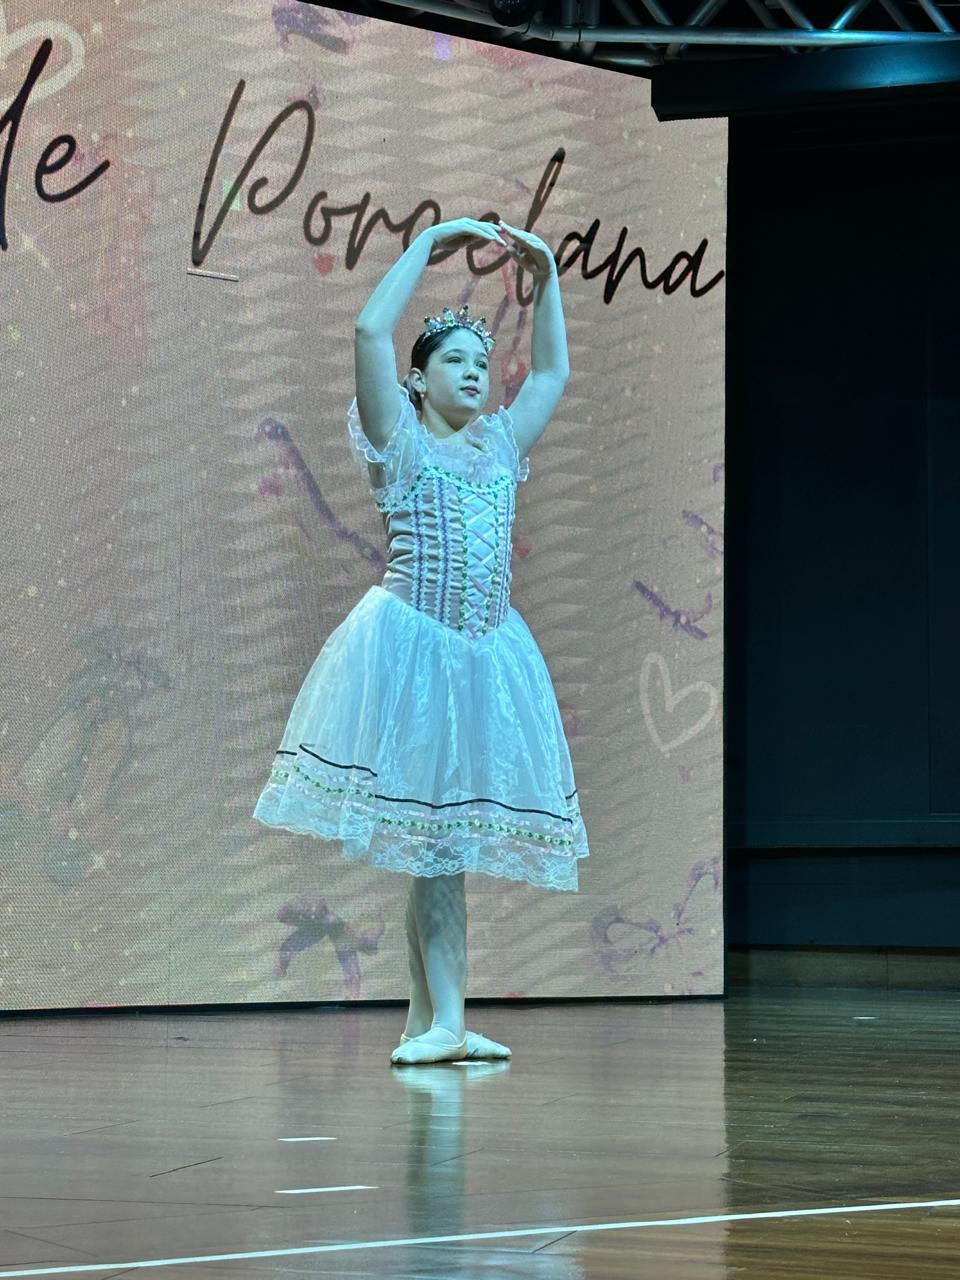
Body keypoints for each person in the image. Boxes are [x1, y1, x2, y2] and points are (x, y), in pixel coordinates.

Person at [253, 217, 589, 1065]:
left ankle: (431, 1019)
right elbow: (369, 329)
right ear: (418, 378)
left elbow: (552, 371)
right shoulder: (398, 443)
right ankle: (443, 1021)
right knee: (438, 848)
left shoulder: (499, 446)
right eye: (455, 362)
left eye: (482, 363)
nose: (475, 374)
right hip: (415, 655)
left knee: (443, 850)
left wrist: (548, 276)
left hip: (485, 658)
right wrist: (428, 242)